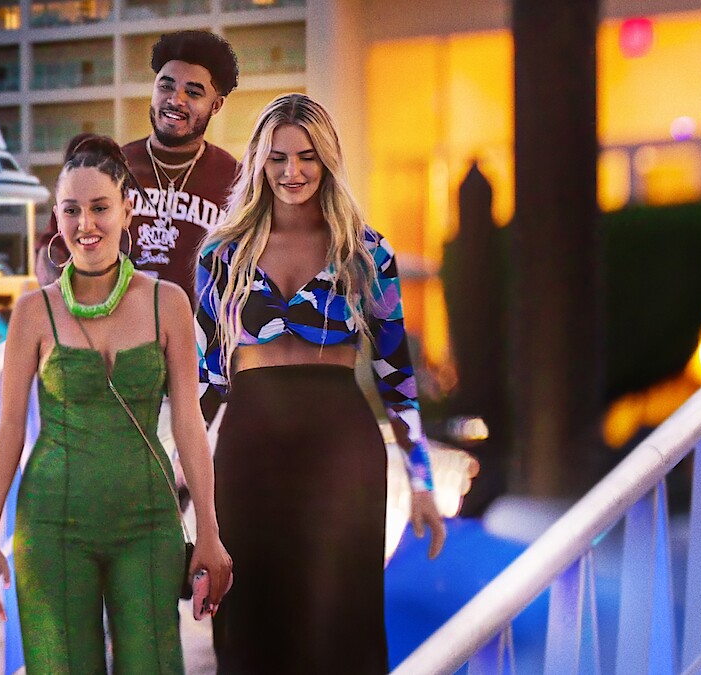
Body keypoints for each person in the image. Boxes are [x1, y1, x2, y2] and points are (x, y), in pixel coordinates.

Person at [196, 93, 447, 673]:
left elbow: (396, 378)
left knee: (337, 631)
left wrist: (422, 483)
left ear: (328, 160)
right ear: (259, 162)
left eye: (307, 156)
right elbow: (207, 383)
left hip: (341, 454)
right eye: (278, 157)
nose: (293, 171)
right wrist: (177, 482)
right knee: (250, 628)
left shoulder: (367, 252)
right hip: (249, 451)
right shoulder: (221, 255)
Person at [0, 136, 231, 674]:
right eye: (71, 210)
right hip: (51, 525)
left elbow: (190, 424)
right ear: (56, 216)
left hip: (149, 522)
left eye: (100, 208)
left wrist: (209, 533)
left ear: (127, 211)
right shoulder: (31, 312)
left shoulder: (169, 303)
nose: (86, 224)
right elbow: (9, 431)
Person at [37, 29, 240, 308]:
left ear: (216, 105)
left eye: (193, 92)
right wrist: (73, 312)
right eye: (166, 86)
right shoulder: (108, 168)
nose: (175, 100)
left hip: (199, 332)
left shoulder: (236, 180)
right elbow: (53, 253)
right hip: (116, 328)